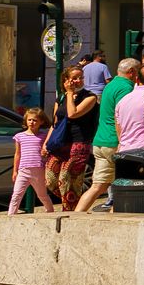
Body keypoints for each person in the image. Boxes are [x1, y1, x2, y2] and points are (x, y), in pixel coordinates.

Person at [73, 58, 139, 213]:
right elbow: (121, 116)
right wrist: (123, 142)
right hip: (114, 142)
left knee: (97, 186)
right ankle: (116, 221)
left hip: (100, 141)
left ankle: (76, 215)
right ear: (132, 72)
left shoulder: (110, 86)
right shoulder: (126, 88)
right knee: (124, 185)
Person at [45, 66, 99, 210]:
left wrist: (70, 94)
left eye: (81, 77)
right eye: (74, 78)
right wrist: (46, 143)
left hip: (78, 142)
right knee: (51, 180)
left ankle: (69, 212)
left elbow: (72, 113)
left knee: (67, 179)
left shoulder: (90, 97)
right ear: (66, 80)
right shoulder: (61, 98)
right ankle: (72, 202)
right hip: (60, 143)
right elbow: (55, 123)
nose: (78, 81)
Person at [8, 109, 59, 214]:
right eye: (29, 120)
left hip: (39, 170)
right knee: (16, 194)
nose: (31, 122)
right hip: (23, 170)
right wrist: (15, 171)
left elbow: (47, 153)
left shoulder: (43, 137)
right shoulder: (19, 136)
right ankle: (11, 215)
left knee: (42, 195)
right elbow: (17, 154)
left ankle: (50, 212)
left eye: (35, 120)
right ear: (26, 121)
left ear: (41, 122)